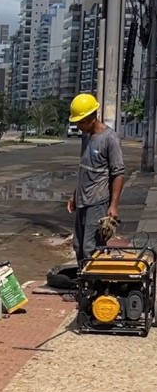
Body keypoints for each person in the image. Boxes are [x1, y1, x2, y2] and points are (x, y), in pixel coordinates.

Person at [67, 93, 125, 264]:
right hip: (82, 200)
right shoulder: (86, 137)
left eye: (82, 122)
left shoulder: (110, 139)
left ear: (94, 117)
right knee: (78, 245)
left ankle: (95, 287)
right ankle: (83, 283)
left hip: (98, 203)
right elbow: (85, 168)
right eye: (77, 122)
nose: (79, 126)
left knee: (90, 248)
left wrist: (113, 206)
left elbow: (118, 173)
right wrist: (75, 195)